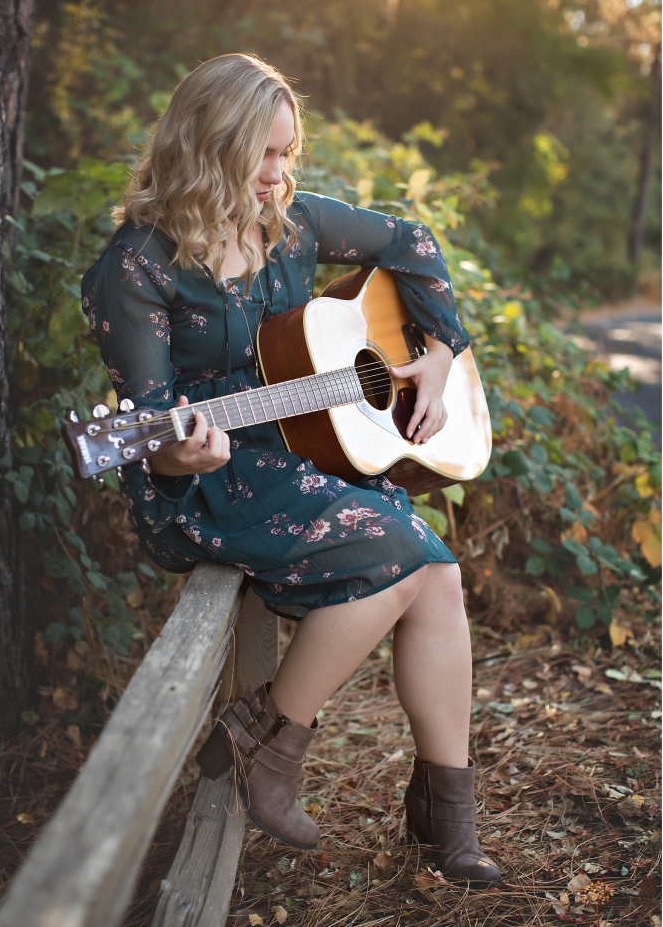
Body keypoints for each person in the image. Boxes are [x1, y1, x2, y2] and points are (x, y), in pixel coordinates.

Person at [82, 53, 501, 884]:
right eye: (263, 154)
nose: (278, 174)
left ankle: (443, 820)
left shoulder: (295, 223)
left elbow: (411, 242)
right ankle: (267, 743)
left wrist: (441, 357)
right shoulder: (136, 268)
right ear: (209, 144)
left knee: (439, 574)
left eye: (286, 153)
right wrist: (178, 448)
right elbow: (155, 428)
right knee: (414, 557)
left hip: (302, 451)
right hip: (210, 479)